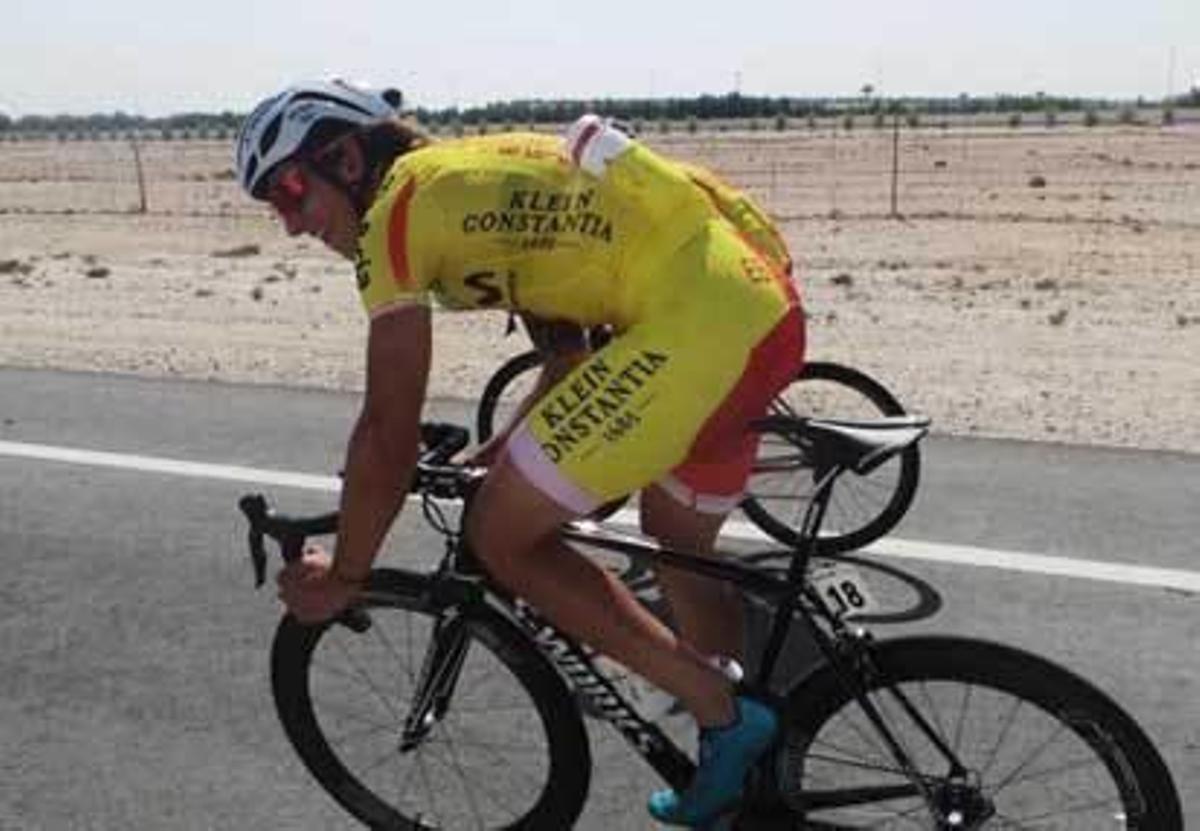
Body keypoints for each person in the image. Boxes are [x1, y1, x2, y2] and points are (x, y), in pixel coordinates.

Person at [236, 79, 805, 826]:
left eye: (289, 192)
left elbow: (386, 428)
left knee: (499, 534)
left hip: (694, 327)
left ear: (344, 157)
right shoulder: (473, 182)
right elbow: (567, 362)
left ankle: (722, 712)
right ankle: (740, 769)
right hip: (758, 310)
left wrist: (348, 572)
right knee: (681, 545)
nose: (290, 225)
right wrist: (495, 454)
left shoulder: (397, 215)